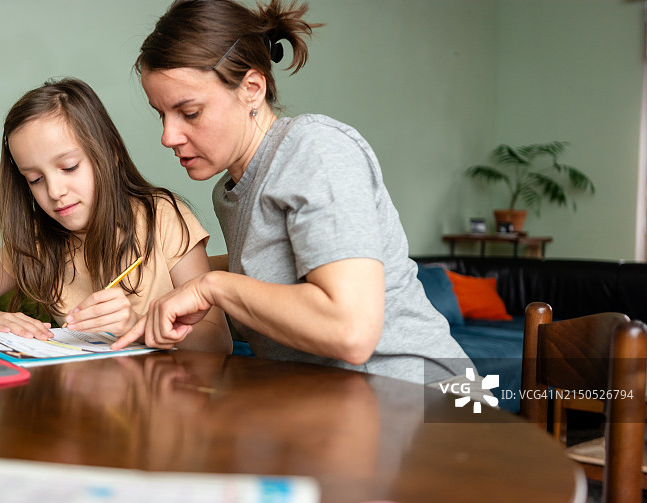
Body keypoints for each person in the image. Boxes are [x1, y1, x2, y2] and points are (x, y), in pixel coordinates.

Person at [112, 0, 476, 384]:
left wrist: (211, 287)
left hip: (426, 400)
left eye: (190, 112)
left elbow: (351, 331)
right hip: (338, 409)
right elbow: (265, 274)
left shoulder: (315, 149)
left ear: (252, 88)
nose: (168, 136)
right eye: (161, 114)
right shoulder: (232, 189)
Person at [0, 77, 231, 354]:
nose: (55, 191)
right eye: (35, 179)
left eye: (69, 167)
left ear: (109, 153)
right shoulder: (36, 243)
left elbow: (217, 342)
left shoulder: (161, 216)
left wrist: (137, 325)